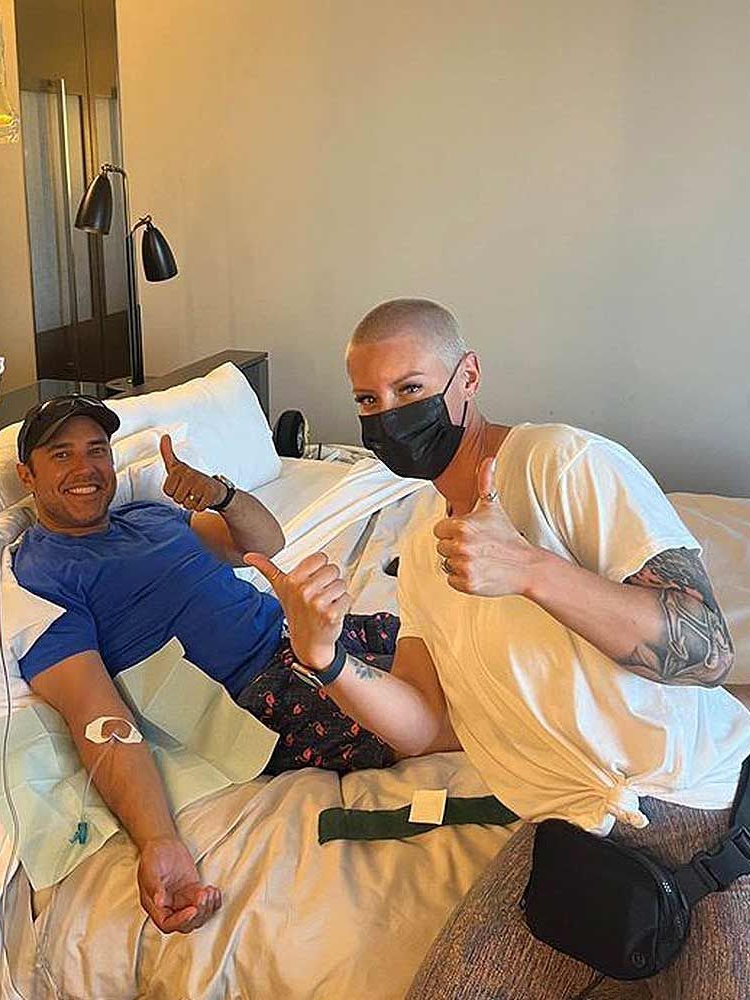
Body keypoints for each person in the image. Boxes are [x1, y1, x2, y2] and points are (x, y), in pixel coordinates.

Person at [248, 298, 750, 999]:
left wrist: (533, 571)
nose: (388, 413)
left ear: (469, 377)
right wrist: (326, 659)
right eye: (368, 398)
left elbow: (706, 649)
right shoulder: (424, 542)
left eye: (411, 389)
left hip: (705, 809)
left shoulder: (560, 461)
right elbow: (426, 725)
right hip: (569, 832)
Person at [11, 394, 398, 936]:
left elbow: (264, 542)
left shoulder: (146, 515)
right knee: (443, 716)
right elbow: (94, 714)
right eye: (61, 455)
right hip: (263, 694)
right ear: (25, 475)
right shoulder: (41, 578)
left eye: (97, 450)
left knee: (463, 651)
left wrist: (222, 494)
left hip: (306, 635)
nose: (86, 468)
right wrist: (159, 841)